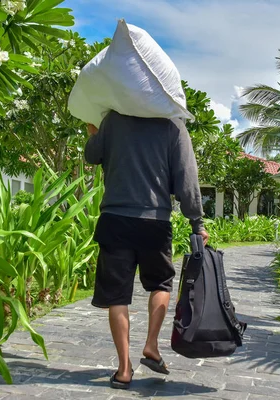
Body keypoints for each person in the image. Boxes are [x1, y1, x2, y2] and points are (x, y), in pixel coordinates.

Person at [84, 110, 209, 390]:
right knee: (161, 283)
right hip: (155, 222)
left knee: (117, 295)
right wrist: (196, 222)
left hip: (115, 219)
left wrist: (94, 133)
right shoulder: (173, 126)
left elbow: (91, 156)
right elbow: (186, 176)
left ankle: (124, 369)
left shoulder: (112, 119)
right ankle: (151, 345)